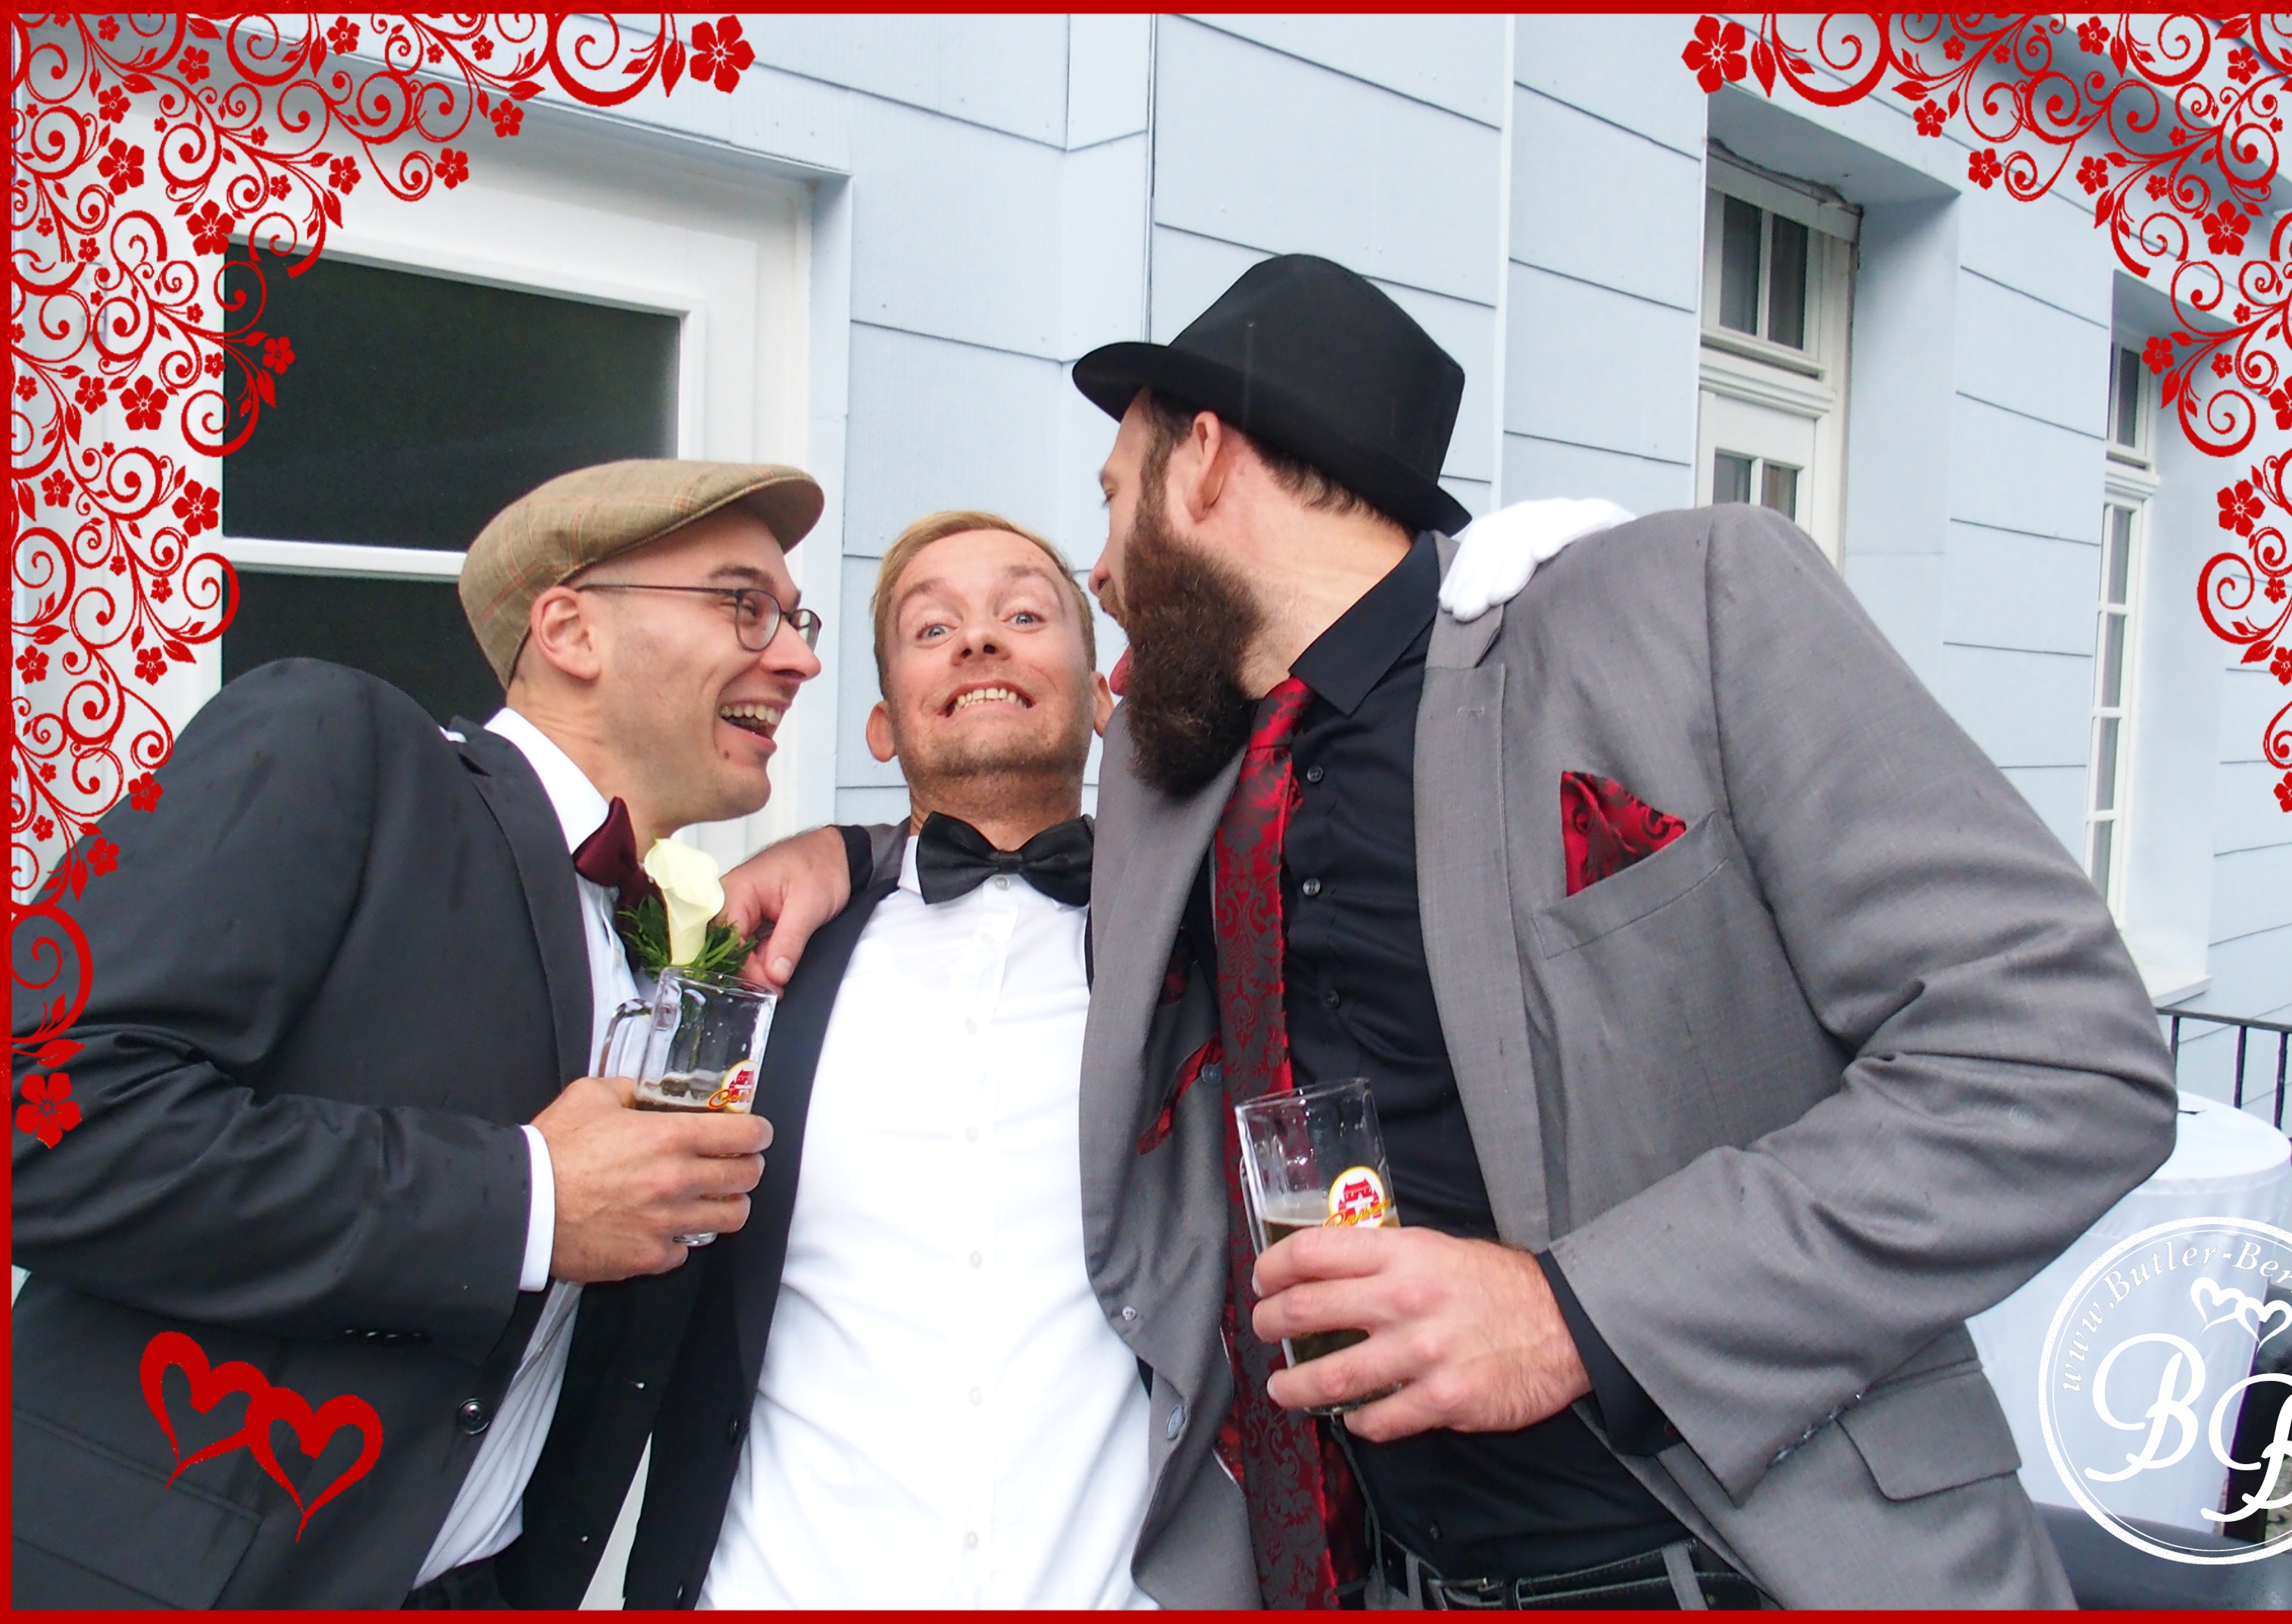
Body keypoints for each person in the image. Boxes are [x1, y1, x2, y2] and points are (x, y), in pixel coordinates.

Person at [729, 255, 2181, 1610]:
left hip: (1761, 1561)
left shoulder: (1677, 608)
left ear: (1207, 459)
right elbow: (1011, 850)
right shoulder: (1183, 785)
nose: (1102, 571)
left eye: (1113, 499)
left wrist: (1575, 1316)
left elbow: (2062, 1065)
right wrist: (848, 854)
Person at [9, 459, 820, 1608]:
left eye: (796, 619)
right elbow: (41, 1114)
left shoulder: (672, 947)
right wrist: (529, 1200)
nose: (797, 658)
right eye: (744, 604)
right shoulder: (339, 744)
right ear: (571, 630)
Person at [624, 511, 1242, 1609]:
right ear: (881, 725)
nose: (981, 641)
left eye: (1025, 615)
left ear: (1101, 701)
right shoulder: (769, 961)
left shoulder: (1199, 948)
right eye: (933, 628)